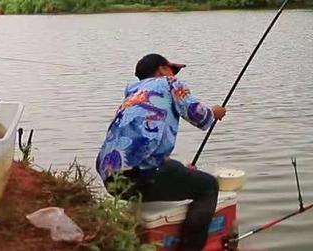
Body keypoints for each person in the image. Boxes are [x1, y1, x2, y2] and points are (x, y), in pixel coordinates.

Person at [96, 53, 227, 251]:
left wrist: (182, 172)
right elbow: (198, 115)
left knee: (179, 171)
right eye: (172, 69)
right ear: (160, 70)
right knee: (208, 187)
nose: (174, 74)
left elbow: (144, 147)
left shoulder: (133, 96)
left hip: (112, 180)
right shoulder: (168, 83)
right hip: (142, 175)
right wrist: (215, 113)